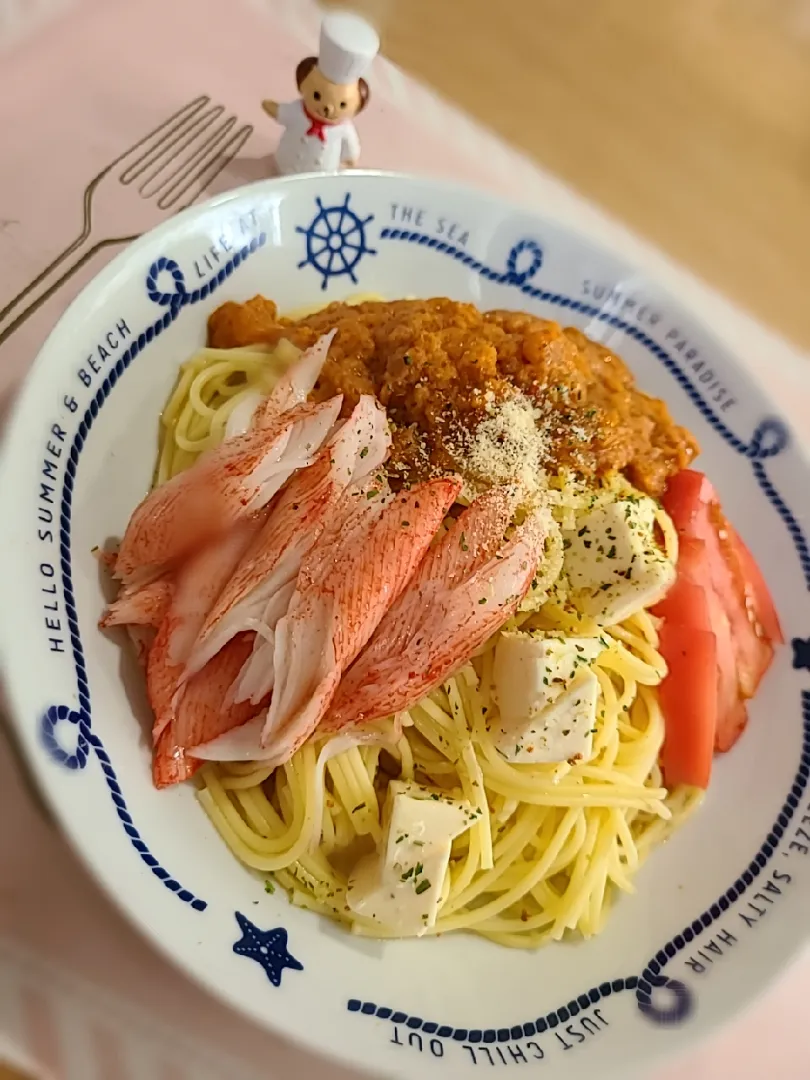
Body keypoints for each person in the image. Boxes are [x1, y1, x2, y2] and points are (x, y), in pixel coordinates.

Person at [262, 11, 379, 176]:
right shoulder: (299, 112)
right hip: (285, 163)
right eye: (317, 96)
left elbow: (350, 144)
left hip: (322, 172)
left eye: (342, 104)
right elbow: (286, 113)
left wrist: (351, 156)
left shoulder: (343, 129)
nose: (328, 109)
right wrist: (275, 109)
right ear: (303, 84)